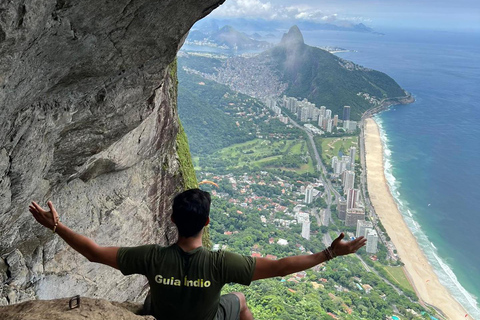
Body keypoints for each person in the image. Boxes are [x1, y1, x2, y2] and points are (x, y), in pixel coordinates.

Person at [29, 188, 366, 320]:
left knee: (152, 304)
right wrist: (328, 253)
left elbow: (95, 253)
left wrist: (56, 227)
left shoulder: (152, 257)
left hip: (161, 314)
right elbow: (279, 268)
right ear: (207, 221)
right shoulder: (220, 264)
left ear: (173, 219)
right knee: (241, 303)